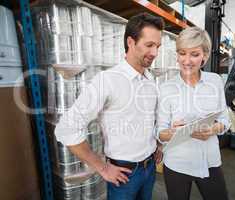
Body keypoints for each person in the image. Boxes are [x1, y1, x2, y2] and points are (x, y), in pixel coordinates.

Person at [55, 13, 165, 200]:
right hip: (125, 174)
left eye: (158, 46)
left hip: (150, 168)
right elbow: (66, 128)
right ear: (130, 42)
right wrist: (102, 167)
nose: (155, 53)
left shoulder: (150, 79)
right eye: (149, 45)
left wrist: (158, 146)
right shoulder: (107, 81)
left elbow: (149, 118)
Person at [157, 27, 231, 200]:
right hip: (177, 164)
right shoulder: (166, 88)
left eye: (194, 54)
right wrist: (172, 133)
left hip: (209, 161)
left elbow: (224, 120)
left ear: (204, 56)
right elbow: (159, 131)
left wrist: (212, 130)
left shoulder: (215, 81)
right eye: (182, 53)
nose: (187, 60)